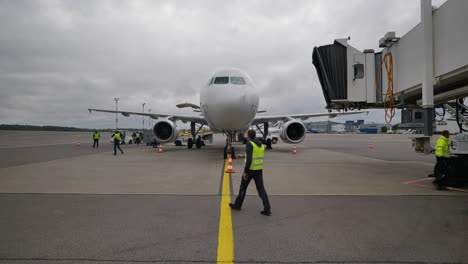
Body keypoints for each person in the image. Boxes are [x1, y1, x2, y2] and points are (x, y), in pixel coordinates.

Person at [230, 129, 271, 216]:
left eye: (246, 134)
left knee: (243, 188)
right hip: (259, 170)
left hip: (250, 170)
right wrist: (243, 156)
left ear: (249, 136)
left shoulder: (249, 144)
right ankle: (267, 208)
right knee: (261, 190)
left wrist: (245, 172)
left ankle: (237, 205)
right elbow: (254, 155)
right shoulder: (261, 145)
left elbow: (249, 159)